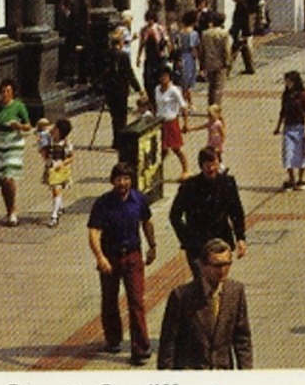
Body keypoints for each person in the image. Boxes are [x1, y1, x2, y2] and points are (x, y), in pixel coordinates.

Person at [87, 162, 157, 365]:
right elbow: (94, 232)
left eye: (126, 179)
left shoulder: (139, 199)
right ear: (112, 181)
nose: (123, 183)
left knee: (136, 302)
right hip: (110, 256)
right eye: (119, 179)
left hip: (132, 256)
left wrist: (152, 246)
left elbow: (147, 222)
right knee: (109, 300)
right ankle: (113, 338)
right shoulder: (103, 203)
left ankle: (140, 349)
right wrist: (100, 257)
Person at [153, 237, 253, 370]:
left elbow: (242, 338)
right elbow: (169, 342)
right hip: (192, 375)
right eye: (217, 265)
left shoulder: (236, 292)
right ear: (203, 265)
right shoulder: (182, 296)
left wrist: (246, 373)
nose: (223, 270)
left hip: (222, 373)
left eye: (227, 264)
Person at [169, 147, 247, 278]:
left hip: (221, 240)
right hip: (197, 243)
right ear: (201, 166)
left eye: (214, 164)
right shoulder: (189, 186)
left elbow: (236, 211)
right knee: (201, 282)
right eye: (207, 165)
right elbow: (174, 216)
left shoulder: (227, 183)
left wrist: (240, 238)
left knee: (220, 278)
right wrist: (186, 238)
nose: (211, 169)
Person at [0, 79, 32, 226]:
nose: (5, 94)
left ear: (13, 93)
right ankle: (9, 208)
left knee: (8, 178)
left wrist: (19, 126)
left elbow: (28, 126)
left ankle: (12, 212)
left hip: (13, 143)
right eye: (3, 91)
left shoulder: (19, 106)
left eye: (8, 92)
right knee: (2, 179)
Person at [100, 27, 145, 142]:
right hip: (121, 88)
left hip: (110, 88)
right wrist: (139, 88)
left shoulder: (106, 54)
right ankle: (121, 138)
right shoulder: (123, 55)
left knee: (114, 115)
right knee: (122, 115)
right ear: (120, 42)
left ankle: (116, 138)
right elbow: (129, 73)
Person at [274, 70, 305, 191]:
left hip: (300, 127)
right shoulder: (286, 95)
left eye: (289, 81)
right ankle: (291, 178)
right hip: (288, 127)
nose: (287, 83)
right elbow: (282, 112)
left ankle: (301, 179)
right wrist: (278, 127)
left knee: (302, 154)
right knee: (288, 153)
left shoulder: (303, 95)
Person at [152, 65, 190, 181]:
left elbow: (184, 107)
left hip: (171, 121)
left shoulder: (174, 90)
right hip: (160, 122)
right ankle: (156, 171)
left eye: (165, 76)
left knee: (176, 148)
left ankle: (185, 169)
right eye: (161, 76)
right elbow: (156, 105)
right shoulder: (157, 89)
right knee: (162, 149)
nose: (163, 78)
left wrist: (185, 123)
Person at [41, 118, 76, 228]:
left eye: (55, 128)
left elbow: (71, 157)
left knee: (56, 189)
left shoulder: (66, 143)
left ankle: (54, 216)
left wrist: (62, 163)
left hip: (60, 169)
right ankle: (59, 206)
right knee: (55, 189)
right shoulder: (49, 141)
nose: (53, 129)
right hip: (51, 168)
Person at [197, 11, 231, 110]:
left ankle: (210, 104)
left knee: (211, 86)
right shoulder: (224, 34)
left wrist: (201, 64)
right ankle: (216, 107)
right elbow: (226, 50)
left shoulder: (205, 33)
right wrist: (228, 63)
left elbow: (202, 50)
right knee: (218, 87)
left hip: (209, 62)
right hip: (220, 63)